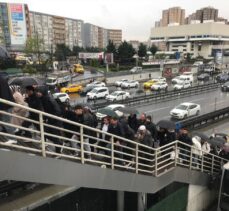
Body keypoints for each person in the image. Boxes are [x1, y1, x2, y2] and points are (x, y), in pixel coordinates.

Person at [36, 86, 62, 153]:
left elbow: (58, 110)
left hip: (55, 120)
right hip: (50, 119)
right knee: (45, 133)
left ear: (43, 92)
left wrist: (52, 117)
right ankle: (59, 143)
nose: (37, 93)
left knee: (54, 135)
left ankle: (58, 151)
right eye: (37, 92)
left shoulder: (49, 99)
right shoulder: (42, 99)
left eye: (39, 92)